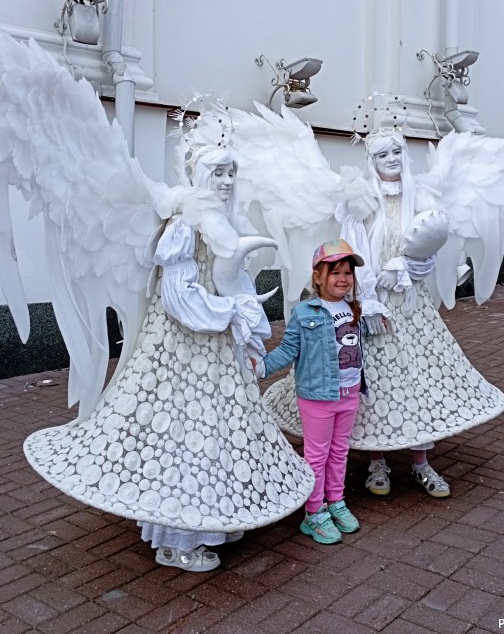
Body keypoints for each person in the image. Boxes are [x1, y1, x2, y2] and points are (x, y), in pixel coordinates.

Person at [23, 143, 314, 571]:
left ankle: (213, 515)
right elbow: (180, 297)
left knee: (217, 431)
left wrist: (244, 320)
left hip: (216, 350)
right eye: (217, 173)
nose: (227, 181)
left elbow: (232, 279)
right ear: (198, 175)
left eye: (232, 173)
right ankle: (177, 538)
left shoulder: (226, 222)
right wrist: (230, 311)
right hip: (180, 350)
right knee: (183, 434)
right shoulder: (183, 226)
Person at [263, 128, 504, 500]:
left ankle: (421, 460)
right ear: (371, 161)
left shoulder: (420, 197)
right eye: (382, 155)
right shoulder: (359, 201)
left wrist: (408, 268)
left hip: (411, 306)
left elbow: (429, 250)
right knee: (374, 386)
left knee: (419, 382)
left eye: (396, 152)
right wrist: (370, 301)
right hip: (370, 308)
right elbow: (353, 253)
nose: (391, 159)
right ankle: (378, 459)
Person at [257, 239, 370, 545]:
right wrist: (263, 366)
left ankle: (336, 501)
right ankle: (314, 512)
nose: (343, 279)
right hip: (317, 396)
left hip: (349, 392)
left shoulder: (354, 308)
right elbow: (289, 349)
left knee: (340, 450)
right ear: (318, 276)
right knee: (317, 454)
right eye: (335, 272)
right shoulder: (306, 311)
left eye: (347, 272)